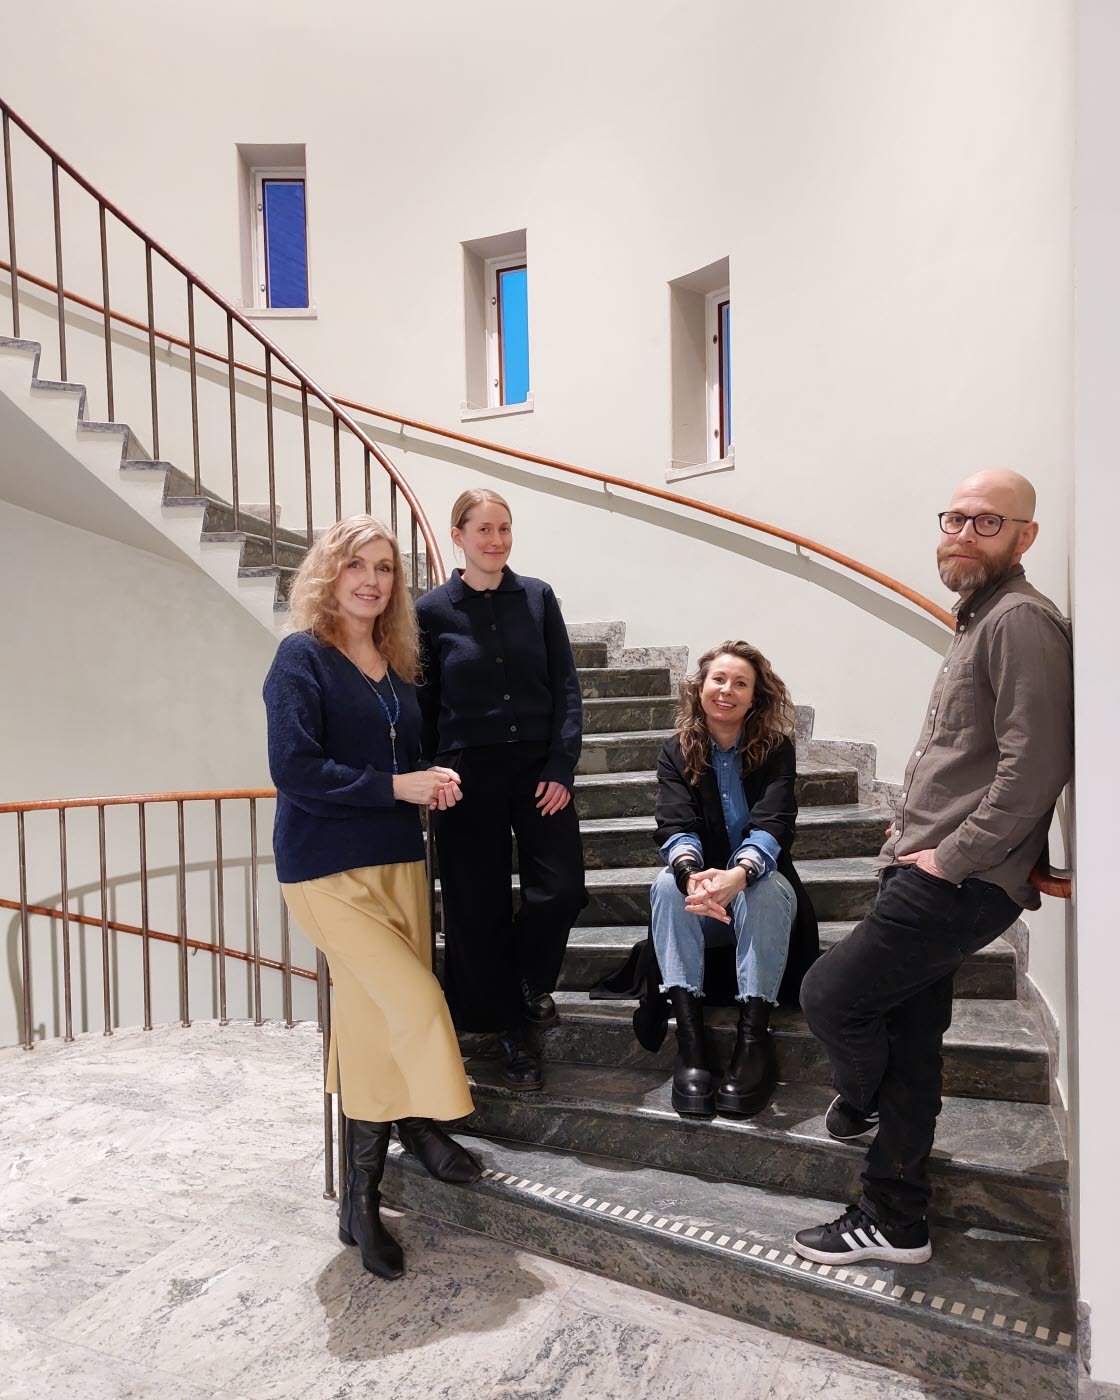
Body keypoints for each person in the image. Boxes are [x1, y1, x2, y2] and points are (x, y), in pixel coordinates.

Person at [795, 469, 1073, 1266]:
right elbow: (967, 754)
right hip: (932, 859)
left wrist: (948, 856)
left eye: (988, 522)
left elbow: (1035, 767)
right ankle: (896, 1217)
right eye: (955, 518)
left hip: (959, 879)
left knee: (831, 996)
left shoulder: (1020, 621)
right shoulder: (978, 617)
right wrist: (911, 823)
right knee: (911, 1045)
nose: (963, 533)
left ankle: (857, 1104)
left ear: (1026, 536)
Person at [264, 515, 480, 1282]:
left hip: (397, 862)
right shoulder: (300, 659)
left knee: (366, 1026)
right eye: (357, 564)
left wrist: (431, 778)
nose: (372, 580)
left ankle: (362, 1201)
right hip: (324, 872)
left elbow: (402, 755)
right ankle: (422, 1120)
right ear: (330, 571)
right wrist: (396, 787)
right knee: (417, 1002)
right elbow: (295, 769)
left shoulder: (394, 660)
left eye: (386, 568)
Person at [416, 488, 587, 1091]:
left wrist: (562, 766)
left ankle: (520, 981)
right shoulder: (430, 612)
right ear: (458, 534)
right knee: (475, 906)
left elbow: (567, 687)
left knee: (562, 890)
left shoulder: (538, 598)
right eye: (483, 529)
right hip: (464, 777)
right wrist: (426, 773)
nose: (496, 540)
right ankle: (511, 1030)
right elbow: (422, 704)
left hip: (539, 771)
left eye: (504, 529)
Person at [646, 641, 819, 1118]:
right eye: (718, 679)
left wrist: (739, 875)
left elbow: (775, 823)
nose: (727, 690)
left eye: (740, 683)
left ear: (754, 697)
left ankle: (752, 1041)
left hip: (756, 888)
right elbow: (674, 823)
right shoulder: (676, 751)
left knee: (765, 887)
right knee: (663, 885)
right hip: (703, 898)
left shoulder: (776, 750)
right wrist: (691, 876)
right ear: (700, 688)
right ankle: (691, 1043)